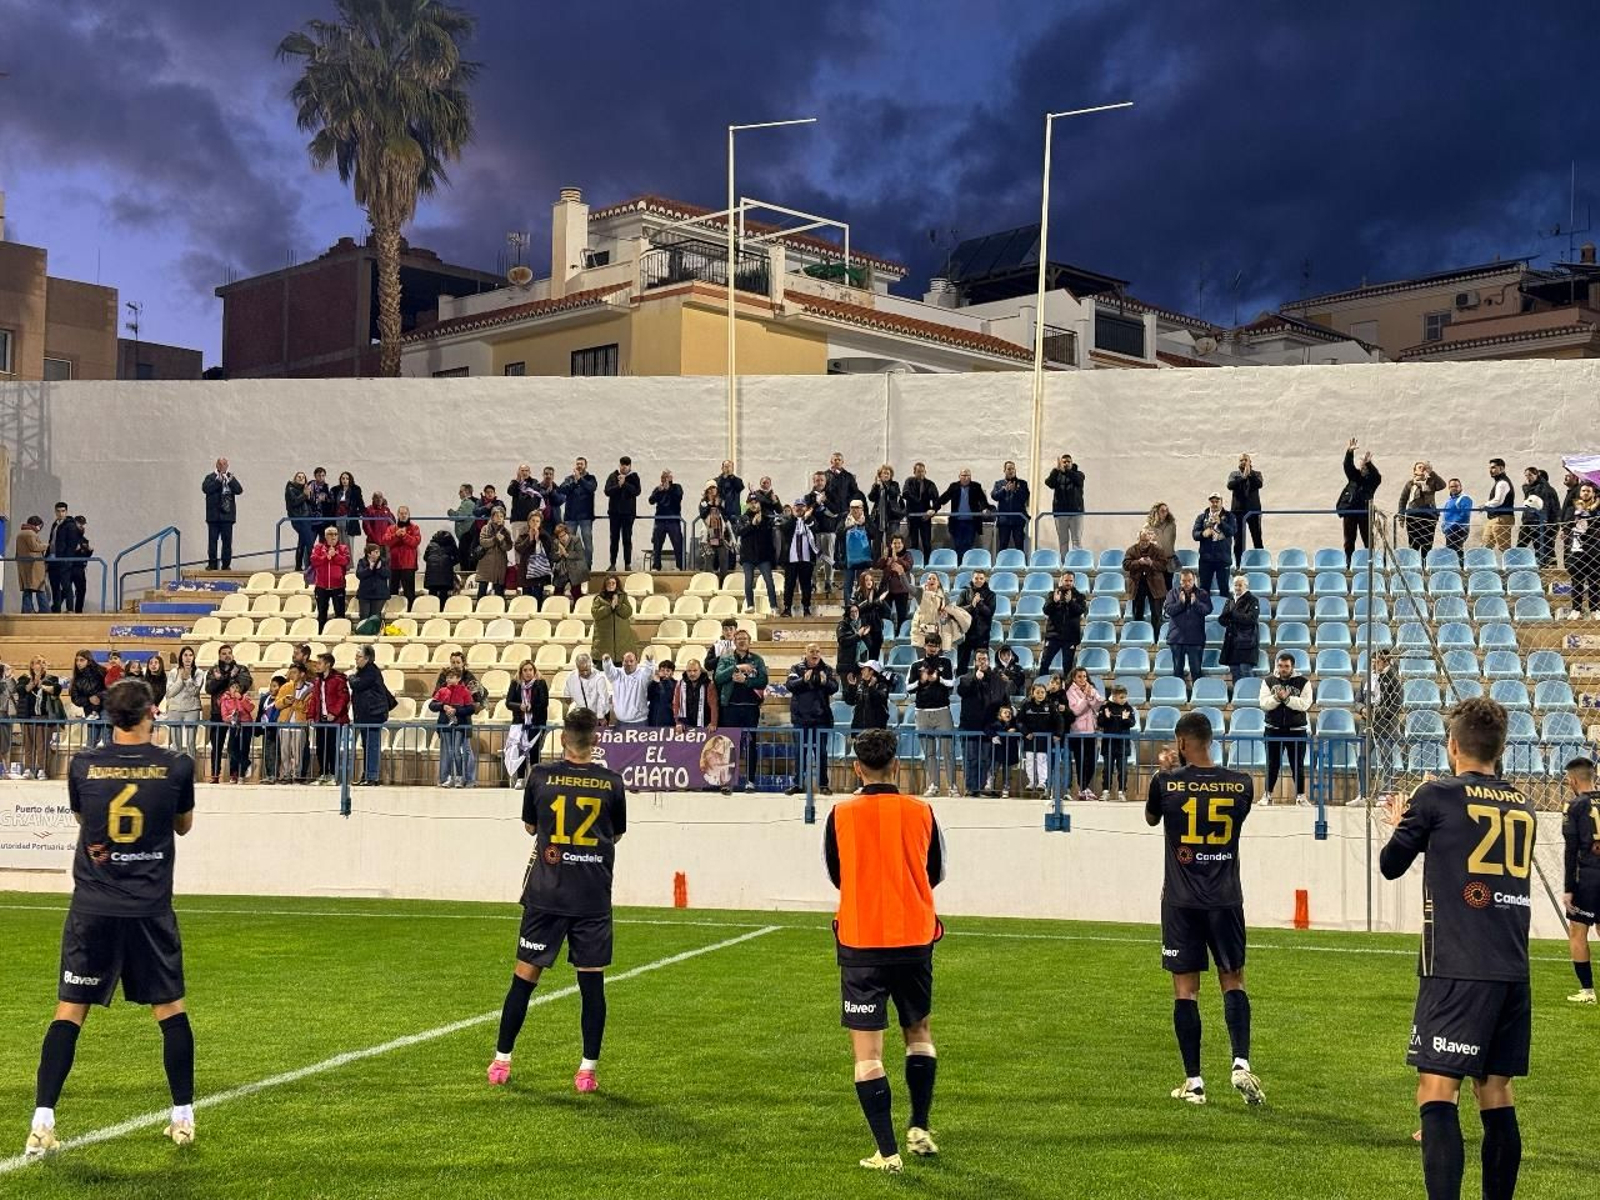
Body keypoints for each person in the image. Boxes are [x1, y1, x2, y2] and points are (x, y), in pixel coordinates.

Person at [24, 679, 198, 1160]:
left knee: (68, 1011)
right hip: (149, 909)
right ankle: (182, 1117)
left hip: (94, 907)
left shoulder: (83, 764)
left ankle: (42, 1121)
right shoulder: (176, 766)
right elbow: (182, 825)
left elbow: (85, 820)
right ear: (151, 713)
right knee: (170, 1010)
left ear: (109, 716)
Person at [1378, 699, 1532, 1200]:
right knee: (1496, 1093)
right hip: (1512, 967)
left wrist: (1400, 822)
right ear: (1500, 749)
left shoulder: (1435, 796)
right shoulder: (1523, 804)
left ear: (1452, 746)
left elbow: (1391, 864)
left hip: (1457, 966)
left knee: (1437, 1090)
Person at [822, 727, 945, 1173]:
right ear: (897, 766)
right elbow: (935, 872)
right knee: (920, 1034)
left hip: (862, 940)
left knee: (868, 1054)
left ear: (857, 768)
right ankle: (920, 1125)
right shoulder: (922, 811)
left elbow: (837, 874)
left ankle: (887, 1152)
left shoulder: (840, 814)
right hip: (914, 938)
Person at [489, 706, 626, 1093]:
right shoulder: (612, 783)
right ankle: (587, 1071)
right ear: (595, 740)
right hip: (592, 896)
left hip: (547, 893)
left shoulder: (541, 776)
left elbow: (531, 826)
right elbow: (615, 835)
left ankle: (502, 1061)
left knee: (524, 979)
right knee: (592, 985)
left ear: (563, 738)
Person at [1145, 711, 1262, 1109]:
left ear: (1181, 743)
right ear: (1210, 740)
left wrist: (1170, 773)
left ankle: (1194, 1082)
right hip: (1226, 898)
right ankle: (1240, 1062)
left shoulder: (1165, 782)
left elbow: (1151, 818)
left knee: (1186, 990)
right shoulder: (1241, 784)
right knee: (1233, 979)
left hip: (1181, 901)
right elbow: (1239, 816)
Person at [1560, 756, 1600, 1005]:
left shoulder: (1574, 806)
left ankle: (1587, 992)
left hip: (1588, 876)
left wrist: (1568, 888)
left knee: (1578, 930)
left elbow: (1571, 849)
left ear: (1572, 780)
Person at [714, 630, 767, 792]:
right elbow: (718, 677)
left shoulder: (757, 660)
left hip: (750, 708)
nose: (742, 641)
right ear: (734, 641)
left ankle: (750, 781)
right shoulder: (726, 658)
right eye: (739, 639)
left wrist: (746, 680)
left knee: (750, 744)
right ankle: (727, 782)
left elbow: (763, 680)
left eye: (745, 639)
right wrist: (736, 668)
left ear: (750, 641)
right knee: (729, 745)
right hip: (730, 708)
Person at [1259, 654, 1313, 806]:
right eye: (1280, 666)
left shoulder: (1304, 682)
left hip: (1297, 730)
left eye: (1286, 666)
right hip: (1273, 729)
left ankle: (1301, 796)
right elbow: (1263, 704)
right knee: (1272, 764)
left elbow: (1305, 704)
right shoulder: (1268, 681)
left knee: (1298, 764)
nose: (1283, 669)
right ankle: (1267, 795)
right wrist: (1277, 698)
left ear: (1292, 667)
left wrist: (1288, 700)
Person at [907, 634, 956, 798]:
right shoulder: (916, 665)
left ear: (939, 647)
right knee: (929, 752)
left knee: (947, 751)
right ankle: (933, 784)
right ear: (925, 646)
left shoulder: (946, 662)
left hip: (942, 710)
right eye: (929, 645)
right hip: (922, 712)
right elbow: (908, 687)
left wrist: (938, 679)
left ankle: (952, 786)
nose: (932, 648)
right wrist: (921, 682)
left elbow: (951, 684)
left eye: (935, 645)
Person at [786, 644, 838, 796]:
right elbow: (789, 685)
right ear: (805, 653)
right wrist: (803, 680)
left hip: (821, 719)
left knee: (821, 753)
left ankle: (823, 785)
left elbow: (834, 687)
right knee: (799, 753)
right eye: (811, 651)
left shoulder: (827, 669)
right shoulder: (796, 668)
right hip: (800, 719)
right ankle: (798, 784)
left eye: (817, 652)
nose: (815, 654)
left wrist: (825, 682)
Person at [956, 649, 1007, 796]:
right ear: (974, 662)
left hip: (988, 728)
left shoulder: (996, 679)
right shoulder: (966, 678)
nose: (982, 662)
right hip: (969, 728)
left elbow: (1002, 700)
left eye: (984, 659)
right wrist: (975, 680)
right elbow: (962, 691)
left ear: (989, 661)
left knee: (985, 760)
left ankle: (982, 787)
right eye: (979, 659)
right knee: (971, 760)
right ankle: (971, 789)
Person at [349, 645, 394, 787]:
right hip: (364, 715)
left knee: (372, 745)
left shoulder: (370, 671)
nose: (356, 659)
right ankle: (366, 775)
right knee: (366, 745)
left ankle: (372, 776)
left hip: (373, 714)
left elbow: (358, 684)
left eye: (359, 656)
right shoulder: (363, 671)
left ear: (367, 658)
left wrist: (351, 678)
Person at [504, 661, 550, 789]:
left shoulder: (541, 683)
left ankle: (534, 779)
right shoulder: (516, 684)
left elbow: (544, 702)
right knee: (521, 750)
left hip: (536, 723)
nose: (528, 672)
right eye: (525, 670)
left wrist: (531, 707)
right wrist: (520, 707)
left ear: (534, 671)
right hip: (520, 722)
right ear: (521, 672)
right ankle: (520, 778)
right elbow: (508, 702)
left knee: (534, 751)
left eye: (530, 669)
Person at [429, 669, 478, 788]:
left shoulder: (465, 691)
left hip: (459, 726)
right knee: (449, 752)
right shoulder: (442, 691)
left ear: (458, 678)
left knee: (457, 752)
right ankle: (448, 777)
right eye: (447, 677)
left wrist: (457, 710)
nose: (448, 680)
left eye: (452, 677)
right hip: (445, 725)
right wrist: (443, 706)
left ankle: (460, 777)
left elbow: (471, 708)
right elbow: (432, 705)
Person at [17, 657, 63, 780]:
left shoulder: (51, 679)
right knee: (28, 745)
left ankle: (42, 769)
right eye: (38, 663)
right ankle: (28, 769)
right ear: (32, 665)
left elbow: (56, 689)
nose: (41, 665)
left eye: (43, 663)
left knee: (42, 745)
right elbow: (22, 690)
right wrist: (34, 680)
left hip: (44, 717)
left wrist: (42, 685)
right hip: (28, 716)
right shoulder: (24, 678)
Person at [1163, 570, 1212, 687]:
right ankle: (1178, 695)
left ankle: (1198, 696)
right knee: (1177, 672)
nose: (1187, 583)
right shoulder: (1172, 593)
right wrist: (1180, 603)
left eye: (1189, 580)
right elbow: (1168, 610)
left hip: (1195, 639)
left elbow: (1207, 610)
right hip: (1176, 639)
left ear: (1194, 580)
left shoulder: (1202, 593)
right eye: (1184, 581)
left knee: (1196, 671)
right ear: (1180, 581)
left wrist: (1196, 603)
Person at [307, 653, 350, 784]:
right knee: (321, 748)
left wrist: (334, 713)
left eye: (319, 663)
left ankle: (333, 774)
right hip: (321, 719)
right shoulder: (317, 681)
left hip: (335, 721)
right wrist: (310, 715)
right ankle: (323, 773)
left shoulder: (338, 679)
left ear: (328, 665)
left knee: (332, 747)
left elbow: (344, 698)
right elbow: (314, 699)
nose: (317, 666)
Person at [1338, 438, 1382, 564]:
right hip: (1350, 511)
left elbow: (1376, 475)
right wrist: (1349, 452)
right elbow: (1347, 466)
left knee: (1368, 539)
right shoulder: (1354, 477)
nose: (1363, 466)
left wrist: (1369, 463)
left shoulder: (1372, 481)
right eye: (1362, 464)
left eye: (1365, 465)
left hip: (1364, 513)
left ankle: (1372, 561)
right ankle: (1349, 561)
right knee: (1349, 539)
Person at [1064, 667, 1103, 802]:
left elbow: (1099, 705)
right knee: (1081, 761)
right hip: (1077, 732)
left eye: (1085, 676)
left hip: (1091, 731)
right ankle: (1083, 789)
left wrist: (1090, 695)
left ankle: (1085, 788)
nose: (1083, 679)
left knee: (1092, 761)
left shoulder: (1091, 688)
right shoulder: (1070, 692)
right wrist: (1087, 698)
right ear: (1074, 678)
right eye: (1080, 677)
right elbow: (1075, 711)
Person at [1124, 527, 1169, 640]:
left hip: (1155, 584)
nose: (1144, 543)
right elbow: (1125, 565)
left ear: (1150, 539)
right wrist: (1138, 562)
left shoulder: (1158, 550)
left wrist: (1151, 563)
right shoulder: (1131, 550)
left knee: (1156, 614)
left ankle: (1156, 638)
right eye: (1142, 541)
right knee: (1137, 613)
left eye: (1147, 541)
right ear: (1138, 540)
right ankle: (1139, 638)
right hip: (1138, 584)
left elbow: (1164, 565)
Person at [778, 498, 821, 617]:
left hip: (806, 559)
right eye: (797, 506)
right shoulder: (789, 521)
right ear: (793, 508)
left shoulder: (811, 520)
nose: (799, 508)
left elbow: (816, 528)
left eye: (802, 506)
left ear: (806, 508)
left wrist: (806, 519)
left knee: (806, 585)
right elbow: (785, 529)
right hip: (791, 559)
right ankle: (787, 608)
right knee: (789, 585)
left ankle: (806, 608)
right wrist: (798, 519)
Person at [1217, 575, 1260, 685]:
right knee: (1235, 671)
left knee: (1245, 670)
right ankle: (1238, 695)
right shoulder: (1230, 600)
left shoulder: (1253, 600)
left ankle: (1250, 695)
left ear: (1246, 586)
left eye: (1240, 585)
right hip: (1232, 642)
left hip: (1247, 642)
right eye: (1235, 585)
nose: (1237, 588)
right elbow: (1223, 618)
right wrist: (1225, 618)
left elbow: (1251, 619)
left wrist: (1233, 614)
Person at [1565, 482, 1599, 620]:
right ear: (1579, 493)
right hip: (1577, 548)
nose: (1585, 493)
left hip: (1594, 548)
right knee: (1577, 581)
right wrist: (1575, 520)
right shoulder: (1572, 508)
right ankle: (1576, 609)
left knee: (1594, 580)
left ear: (1593, 493)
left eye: (1588, 491)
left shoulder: (1597, 510)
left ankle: (1595, 609)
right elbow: (1565, 524)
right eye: (1583, 490)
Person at [937, 469, 990, 559]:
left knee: (968, 544)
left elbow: (983, 500)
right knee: (957, 544)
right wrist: (933, 509)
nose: (966, 478)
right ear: (959, 476)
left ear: (970, 477)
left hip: (971, 522)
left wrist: (985, 508)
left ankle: (965, 564)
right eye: (963, 475)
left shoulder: (976, 486)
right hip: (957, 522)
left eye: (968, 475)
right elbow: (943, 499)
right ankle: (959, 565)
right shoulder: (954, 486)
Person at [738, 499, 780, 612]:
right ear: (747, 504)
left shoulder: (766, 518)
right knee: (748, 581)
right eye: (751, 502)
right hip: (748, 556)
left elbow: (770, 534)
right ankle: (750, 605)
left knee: (769, 581)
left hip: (763, 556)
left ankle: (773, 606)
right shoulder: (743, 518)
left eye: (755, 502)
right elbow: (740, 532)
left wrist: (761, 523)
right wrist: (752, 524)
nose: (753, 504)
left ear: (760, 504)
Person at [273, 665, 312, 784]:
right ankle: (286, 774)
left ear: (302, 674)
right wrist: (285, 701)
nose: (291, 675)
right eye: (291, 672)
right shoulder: (286, 687)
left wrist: (295, 703)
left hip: (299, 724)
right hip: (285, 723)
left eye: (294, 672)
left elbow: (308, 708)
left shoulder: (310, 689)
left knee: (297, 752)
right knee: (285, 751)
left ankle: (297, 775)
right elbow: (277, 704)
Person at [1398, 460, 1448, 553]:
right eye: (1420, 467)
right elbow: (1403, 500)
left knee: (1427, 543)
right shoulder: (1410, 484)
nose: (1422, 469)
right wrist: (1401, 516)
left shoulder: (1431, 481)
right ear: (1414, 471)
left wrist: (1431, 473)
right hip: (1413, 516)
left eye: (1424, 467)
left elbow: (1442, 485)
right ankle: (1415, 564)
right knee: (1414, 543)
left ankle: (1425, 565)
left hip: (1429, 516)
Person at [1018, 682, 1058, 797]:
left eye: (1042, 692)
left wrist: (1058, 734)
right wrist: (1026, 732)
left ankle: (1042, 782)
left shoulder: (1050, 706)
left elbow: (1058, 720)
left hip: (1044, 740)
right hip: (1030, 739)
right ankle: (1031, 782)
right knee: (1030, 760)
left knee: (1042, 760)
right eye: (1037, 692)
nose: (1040, 695)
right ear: (1032, 693)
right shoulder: (1026, 705)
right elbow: (1019, 721)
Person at [1041, 573, 1085, 676]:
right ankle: (1041, 688)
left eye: (1070, 581)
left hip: (1070, 638)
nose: (1068, 583)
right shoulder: (1052, 594)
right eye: (1066, 580)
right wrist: (1054, 601)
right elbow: (1046, 610)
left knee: (1068, 666)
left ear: (1074, 582)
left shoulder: (1079, 596)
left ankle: (1068, 690)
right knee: (1044, 663)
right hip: (1053, 636)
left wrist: (1070, 602)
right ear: (1061, 581)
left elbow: (1080, 611)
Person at [602, 456, 641, 573]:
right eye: (622, 464)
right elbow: (607, 491)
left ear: (630, 466)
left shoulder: (634, 477)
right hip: (614, 513)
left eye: (627, 465)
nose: (624, 467)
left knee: (627, 539)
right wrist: (618, 486)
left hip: (628, 514)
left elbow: (637, 491)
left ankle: (627, 564)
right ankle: (612, 563)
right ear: (619, 465)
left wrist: (625, 484)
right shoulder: (613, 476)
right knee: (614, 539)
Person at [952, 570, 995, 676]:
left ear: (985, 580)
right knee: (962, 664)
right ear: (972, 579)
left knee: (982, 664)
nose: (978, 581)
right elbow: (958, 610)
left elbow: (989, 613)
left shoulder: (991, 595)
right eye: (976, 578)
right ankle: (961, 687)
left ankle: (982, 687)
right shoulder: (965, 593)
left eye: (981, 578)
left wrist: (979, 603)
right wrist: (972, 605)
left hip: (982, 635)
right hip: (965, 634)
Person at [1097, 683, 1135, 802]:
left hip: (1123, 744)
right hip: (1108, 744)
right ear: (1114, 697)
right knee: (1107, 769)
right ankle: (1106, 792)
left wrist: (1125, 719)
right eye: (1121, 697)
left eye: (1125, 697)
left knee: (1122, 769)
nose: (1124, 699)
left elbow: (1132, 723)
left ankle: (1121, 791)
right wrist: (1106, 717)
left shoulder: (1128, 708)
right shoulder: (1105, 707)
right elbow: (1100, 723)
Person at [1192, 493, 1235, 596]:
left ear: (1221, 502)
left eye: (1217, 501)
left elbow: (1232, 532)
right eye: (1212, 501)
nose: (1214, 504)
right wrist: (1203, 534)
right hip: (1206, 559)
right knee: (1204, 589)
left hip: (1223, 559)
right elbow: (1195, 534)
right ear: (1209, 502)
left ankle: (1225, 612)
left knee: (1224, 588)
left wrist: (1221, 522)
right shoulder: (1202, 517)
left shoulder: (1229, 516)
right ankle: (1205, 611)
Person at [1226, 454, 1264, 567]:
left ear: (1250, 461)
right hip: (1238, 512)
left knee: (1257, 538)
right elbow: (1230, 485)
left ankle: (1260, 563)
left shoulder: (1257, 474)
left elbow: (1259, 484)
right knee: (1238, 540)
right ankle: (1238, 564)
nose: (1243, 462)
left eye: (1245, 460)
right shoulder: (1234, 474)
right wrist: (1243, 477)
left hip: (1253, 511)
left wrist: (1249, 473)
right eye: (1241, 460)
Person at [590, 575, 640, 663]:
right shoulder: (599, 598)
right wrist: (609, 607)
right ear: (605, 585)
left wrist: (618, 605)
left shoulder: (623, 597)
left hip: (622, 642)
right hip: (603, 641)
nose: (611, 585)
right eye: (608, 583)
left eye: (613, 583)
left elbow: (628, 612)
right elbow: (596, 613)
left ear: (617, 584)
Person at [310, 526, 351, 631]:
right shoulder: (318, 548)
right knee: (322, 614)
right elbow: (314, 560)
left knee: (340, 613)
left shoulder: (343, 548)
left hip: (338, 586)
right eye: (330, 534)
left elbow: (346, 561)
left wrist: (335, 555)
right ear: (325, 536)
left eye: (335, 534)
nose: (333, 536)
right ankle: (321, 635)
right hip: (321, 587)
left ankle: (340, 633)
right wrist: (326, 557)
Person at [165, 648, 202, 760]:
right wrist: (181, 679)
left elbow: (194, 692)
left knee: (191, 743)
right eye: (185, 655)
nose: (188, 657)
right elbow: (170, 693)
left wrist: (189, 679)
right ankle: (178, 773)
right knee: (176, 744)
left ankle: (191, 774)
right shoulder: (173, 672)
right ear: (181, 657)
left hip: (192, 709)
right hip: (175, 709)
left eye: (191, 655)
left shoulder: (198, 672)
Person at [558, 458, 599, 558]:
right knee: (568, 543)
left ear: (586, 465)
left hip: (585, 517)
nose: (579, 466)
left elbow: (591, 488)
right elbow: (562, 489)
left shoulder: (591, 478)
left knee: (587, 544)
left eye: (581, 464)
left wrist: (580, 479)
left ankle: (587, 568)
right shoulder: (569, 479)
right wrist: (575, 482)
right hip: (570, 517)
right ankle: (569, 567)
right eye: (577, 464)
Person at [1044, 454, 1086, 553]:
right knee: (1063, 541)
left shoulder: (1079, 474)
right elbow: (1049, 483)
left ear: (1072, 462)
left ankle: (1077, 566)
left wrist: (1066, 471)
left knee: (1077, 541)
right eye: (1064, 462)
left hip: (1076, 513)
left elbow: (1078, 481)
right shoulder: (1057, 475)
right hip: (1060, 513)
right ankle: (1065, 565)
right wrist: (1055, 470)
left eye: (1068, 461)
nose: (1066, 463)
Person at [601, 652, 654, 727]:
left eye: (631, 661)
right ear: (622, 662)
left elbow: (649, 674)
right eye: (626, 661)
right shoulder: (617, 674)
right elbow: (609, 670)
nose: (629, 664)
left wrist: (650, 663)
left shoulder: (642, 675)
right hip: (620, 722)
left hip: (640, 722)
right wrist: (607, 661)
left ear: (637, 661)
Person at [875, 534, 915, 631]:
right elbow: (878, 565)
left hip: (901, 589)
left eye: (899, 543)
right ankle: (886, 632)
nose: (896, 545)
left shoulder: (907, 554)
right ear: (891, 544)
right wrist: (884, 558)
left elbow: (908, 566)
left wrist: (896, 559)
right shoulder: (887, 554)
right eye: (894, 543)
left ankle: (899, 634)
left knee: (901, 614)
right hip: (887, 589)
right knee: (885, 613)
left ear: (903, 544)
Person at [69, 650, 107, 749]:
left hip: (105, 708)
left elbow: (111, 688)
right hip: (90, 712)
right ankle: (89, 763)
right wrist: (89, 700)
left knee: (107, 740)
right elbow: (75, 698)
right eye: (77, 660)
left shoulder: (102, 671)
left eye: (81, 660)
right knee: (91, 742)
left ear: (88, 660)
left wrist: (99, 696)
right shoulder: (77, 679)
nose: (78, 663)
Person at [990, 461, 1030, 554]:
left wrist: (1016, 490)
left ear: (1015, 470)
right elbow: (994, 496)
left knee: (1019, 545)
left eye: (1013, 469)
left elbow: (1025, 497)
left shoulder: (1022, 483)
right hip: (1004, 520)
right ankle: (1001, 566)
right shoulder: (999, 483)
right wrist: (1004, 490)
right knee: (1003, 545)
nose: (1011, 471)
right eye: (1008, 469)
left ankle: (1021, 567)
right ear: (1004, 470)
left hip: (1018, 520)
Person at [383, 506, 421, 603]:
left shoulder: (414, 528)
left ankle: (409, 612)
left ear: (408, 515)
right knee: (393, 591)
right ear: (398, 515)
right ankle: (392, 610)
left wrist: (404, 535)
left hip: (408, 565)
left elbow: (415, 542)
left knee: (409, 593)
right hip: (394, 565)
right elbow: (385, 541)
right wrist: (396, 535)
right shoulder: (391, 528)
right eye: (401, 513)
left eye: (405, 513)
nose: (403, 515)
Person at [842, 660, 892, 733]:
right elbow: (850, 702)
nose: (861, 671)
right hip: (858, 730)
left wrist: (871, 688)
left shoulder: (882, 685)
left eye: (864, 669)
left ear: (871, 671)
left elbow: (877, 701)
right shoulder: (860, 685)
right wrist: (852, 687)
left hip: (876, 732)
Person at [901, 462, 939, 561]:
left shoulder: (930, 484)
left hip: (925, 517)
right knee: (913, 542)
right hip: (912, 517)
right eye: (918, 472)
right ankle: (913, 563)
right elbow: (905, 494)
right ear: (914, 472)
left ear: (925, 472)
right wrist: (918, 501)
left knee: (926, 542)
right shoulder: (909, 481)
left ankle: (927, 563)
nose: (921, 474)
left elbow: (937, 500)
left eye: (922, 471)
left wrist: (932, 510)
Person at [648, 469, 684, 571]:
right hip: (660, 520)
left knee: (677, 544)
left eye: (666, 476)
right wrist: (659, 492)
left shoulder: (677, 487)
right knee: (657, 544)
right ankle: (656, 566)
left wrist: (669, 489)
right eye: (663, 477)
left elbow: (679, 497)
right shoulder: (658, 489)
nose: (664, 479)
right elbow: (651, 500)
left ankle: (679, 566)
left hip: (673, 520)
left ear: (671, 478)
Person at [515, 515, 556, 605]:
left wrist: (537, 540)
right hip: (526, 572)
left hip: (539, 572)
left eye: (537, 521)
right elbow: (519, 549)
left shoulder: (545, 536)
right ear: (529, 522)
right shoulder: (523, 535)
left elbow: (548, 552)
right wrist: (529, 539)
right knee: (526, 600)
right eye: (533, 520)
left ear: (540, 523)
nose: (535, 523)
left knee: (537, 599)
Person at [219, 680, 254, 783]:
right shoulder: (225, 700)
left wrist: (241, 699)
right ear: (229, 689)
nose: (235, 689)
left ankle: (241, 774)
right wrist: (230, 718)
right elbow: (224, 716)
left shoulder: (244, 697)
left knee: (244, 749)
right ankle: (236, 771)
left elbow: (251, 708)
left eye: (237, 687)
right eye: (233, 687)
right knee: (231, 749)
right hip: (234, 726)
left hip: (246, 725)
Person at [867, 465, 904, 559]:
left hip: (892, 517)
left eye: (888, 473)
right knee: (876, 541)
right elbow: (871, 498)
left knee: (891, 541)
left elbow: (893, 493)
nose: (886, 475)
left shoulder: (894, 484)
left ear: (891, 475)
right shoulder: (877, 485)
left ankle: (891, 561)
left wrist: (884, 486)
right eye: (884, 473)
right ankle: (876, 563)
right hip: (878, 517)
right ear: (880, 475)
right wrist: (876, 486)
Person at [673, 658, 719, 733]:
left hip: (705, 726)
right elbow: (676, 705)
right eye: (689, 671)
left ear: (700, 670)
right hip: (685, 726)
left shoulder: (709, 684)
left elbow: (713, 705)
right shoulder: (680, 684)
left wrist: (713, 723)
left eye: (695, 670)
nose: (692, 673)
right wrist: (678, 722)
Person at [564, 654, 613, 724]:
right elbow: (567, 696)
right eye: (582, 671)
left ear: (591, 666)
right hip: (582, 714)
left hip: (599, 713)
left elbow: (602, 699)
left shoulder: (599, 677)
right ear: (577, 667)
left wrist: (601, 717)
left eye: (587, 670)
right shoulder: (571, 677)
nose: (585, 673)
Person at [476, 509, 513, 600]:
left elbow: (508, 547)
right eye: (497, 516)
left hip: (500, 564)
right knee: (482, 589)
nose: (499, 518)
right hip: (486, 563)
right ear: (492, 517)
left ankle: (499, 610)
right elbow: (483, 542)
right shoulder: (486, 528)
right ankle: (479, 609)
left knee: (499, 590)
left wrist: (502, 542)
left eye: (501, 516)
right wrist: (495, 539)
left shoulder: (506, 531)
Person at [285, 472, 318, 572]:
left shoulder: (304, 489)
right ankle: (313, 566)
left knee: (302, 542)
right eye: (299, 476)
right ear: (295, 478)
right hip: (299, 519)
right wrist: (304, 494)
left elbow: (310, 504)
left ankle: (298, 566)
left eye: (303, 477)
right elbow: (294, 502)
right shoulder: (290, 489)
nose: (301, 478)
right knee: (309, 543)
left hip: (307, 518)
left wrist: (309, 496)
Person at [15, 515, 49, 613]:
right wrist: (46, 545)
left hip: (24, 564)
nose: (40, 529)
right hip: (34, 565)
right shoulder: (31, 534)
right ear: (36, 524)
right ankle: (45, 610)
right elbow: (35, 547)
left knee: (27, 589)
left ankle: (27, 610)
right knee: (40, 588)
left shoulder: (20, 534)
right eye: (40, 526)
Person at [46, 501, 74, 613]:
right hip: (53, 560)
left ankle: (70, 608)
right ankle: (56, 609)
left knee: (66, 586)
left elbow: (71, 545)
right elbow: (51, 542)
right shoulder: (55, 524)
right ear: (55, 512)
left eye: (63, 511)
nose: (60, 513)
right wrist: (47, 557)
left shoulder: (70, 525)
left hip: (63, 560)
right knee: (54, 586)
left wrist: (66, 559)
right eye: (58, 511)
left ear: (66, 512)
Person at [1483, 458, 1516, 552]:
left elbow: (1498, 501)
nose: (1490, 470)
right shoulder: (1499, 482)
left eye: (1493, 467)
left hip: (1502, 518)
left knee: (1504, 548)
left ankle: (1512, 566)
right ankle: (1485, 565)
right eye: (1490, 468)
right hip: (1495, 518)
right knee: (1486, 546)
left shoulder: (1502, 483)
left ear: (1501, 468)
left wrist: (1485, 505)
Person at [552, 522, 589, 602]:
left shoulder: (575, 540)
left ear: (567, 533)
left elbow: (580, 555)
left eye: (564, 535)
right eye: (560, 537)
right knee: (557, 593)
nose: (563, 538)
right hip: (562, 571)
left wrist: (566, 554)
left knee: (576, 593)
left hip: (574, 569)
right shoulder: (556, 543)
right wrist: (559, 555)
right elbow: (553, 558)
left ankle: (577, 608)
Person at [354, 543, 390, 624]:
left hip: (379, 594)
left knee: (375, 617)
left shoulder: (383, 562)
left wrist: (379, 569)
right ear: (369, 554)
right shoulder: (362, 562)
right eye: (375, 552)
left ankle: (374, 634)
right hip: (365, 594)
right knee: (364, 616)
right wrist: (369, 568)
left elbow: (388, 574)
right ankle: (363, 634)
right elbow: (359, 574)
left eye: (378, 552)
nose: (377, 554)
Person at [1440, 478, 1473, 562]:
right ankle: (1454, 567)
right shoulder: (1449, 500)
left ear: (1460, 487)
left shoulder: (1464, 498)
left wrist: (1451, 526)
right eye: (1451, 486)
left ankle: (1461, 568)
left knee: (1457, 550)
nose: (1453, 488)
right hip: (1449, 531)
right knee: (1451, 550)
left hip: (1459, 529)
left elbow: (1465, 515)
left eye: (1456, 486)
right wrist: (1444, 527)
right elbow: (1445, 515)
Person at [330, 471, 365, 548]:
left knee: (348, 543)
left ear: (350, 480)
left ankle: (350, 560)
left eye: (347, 478)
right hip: (337, 519)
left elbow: (360, 503)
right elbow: (332, 504)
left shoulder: (355, 490)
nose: (345, 480)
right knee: (338, 542)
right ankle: (341, 560)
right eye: (343, 478)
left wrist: (360, 513)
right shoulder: (336, 490)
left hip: (349, 519)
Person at [423, 529, 458, 604]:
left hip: (431, 576)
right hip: (445, 575)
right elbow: (457, 558)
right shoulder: (451, 545)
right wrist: (449, 564)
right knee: (443, 595)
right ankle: (441, 611)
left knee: (432, 595)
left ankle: (432, 611)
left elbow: (425, 557)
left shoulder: (431, 545)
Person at [507, 463, 541, 542]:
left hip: (531, 521)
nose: (524, 472)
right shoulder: (514, 483)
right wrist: (518, 481)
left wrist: (524, 484)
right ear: (518, 472)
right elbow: (510, 491)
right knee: (518, 545)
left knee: (531, 544)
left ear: (530, 472)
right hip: (517, 520)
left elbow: (535, 490)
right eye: (522, 470)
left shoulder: (534, 482)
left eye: (526, 470)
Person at [645, 660, 677, 728]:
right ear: (659, 671)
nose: (665, 672)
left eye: (668, 670)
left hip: (669, 718)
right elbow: (648, 697)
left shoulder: (676, 684)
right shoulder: (654, 683)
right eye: (662, 670)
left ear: (672, 672)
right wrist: (655, 683)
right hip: (654, 717)